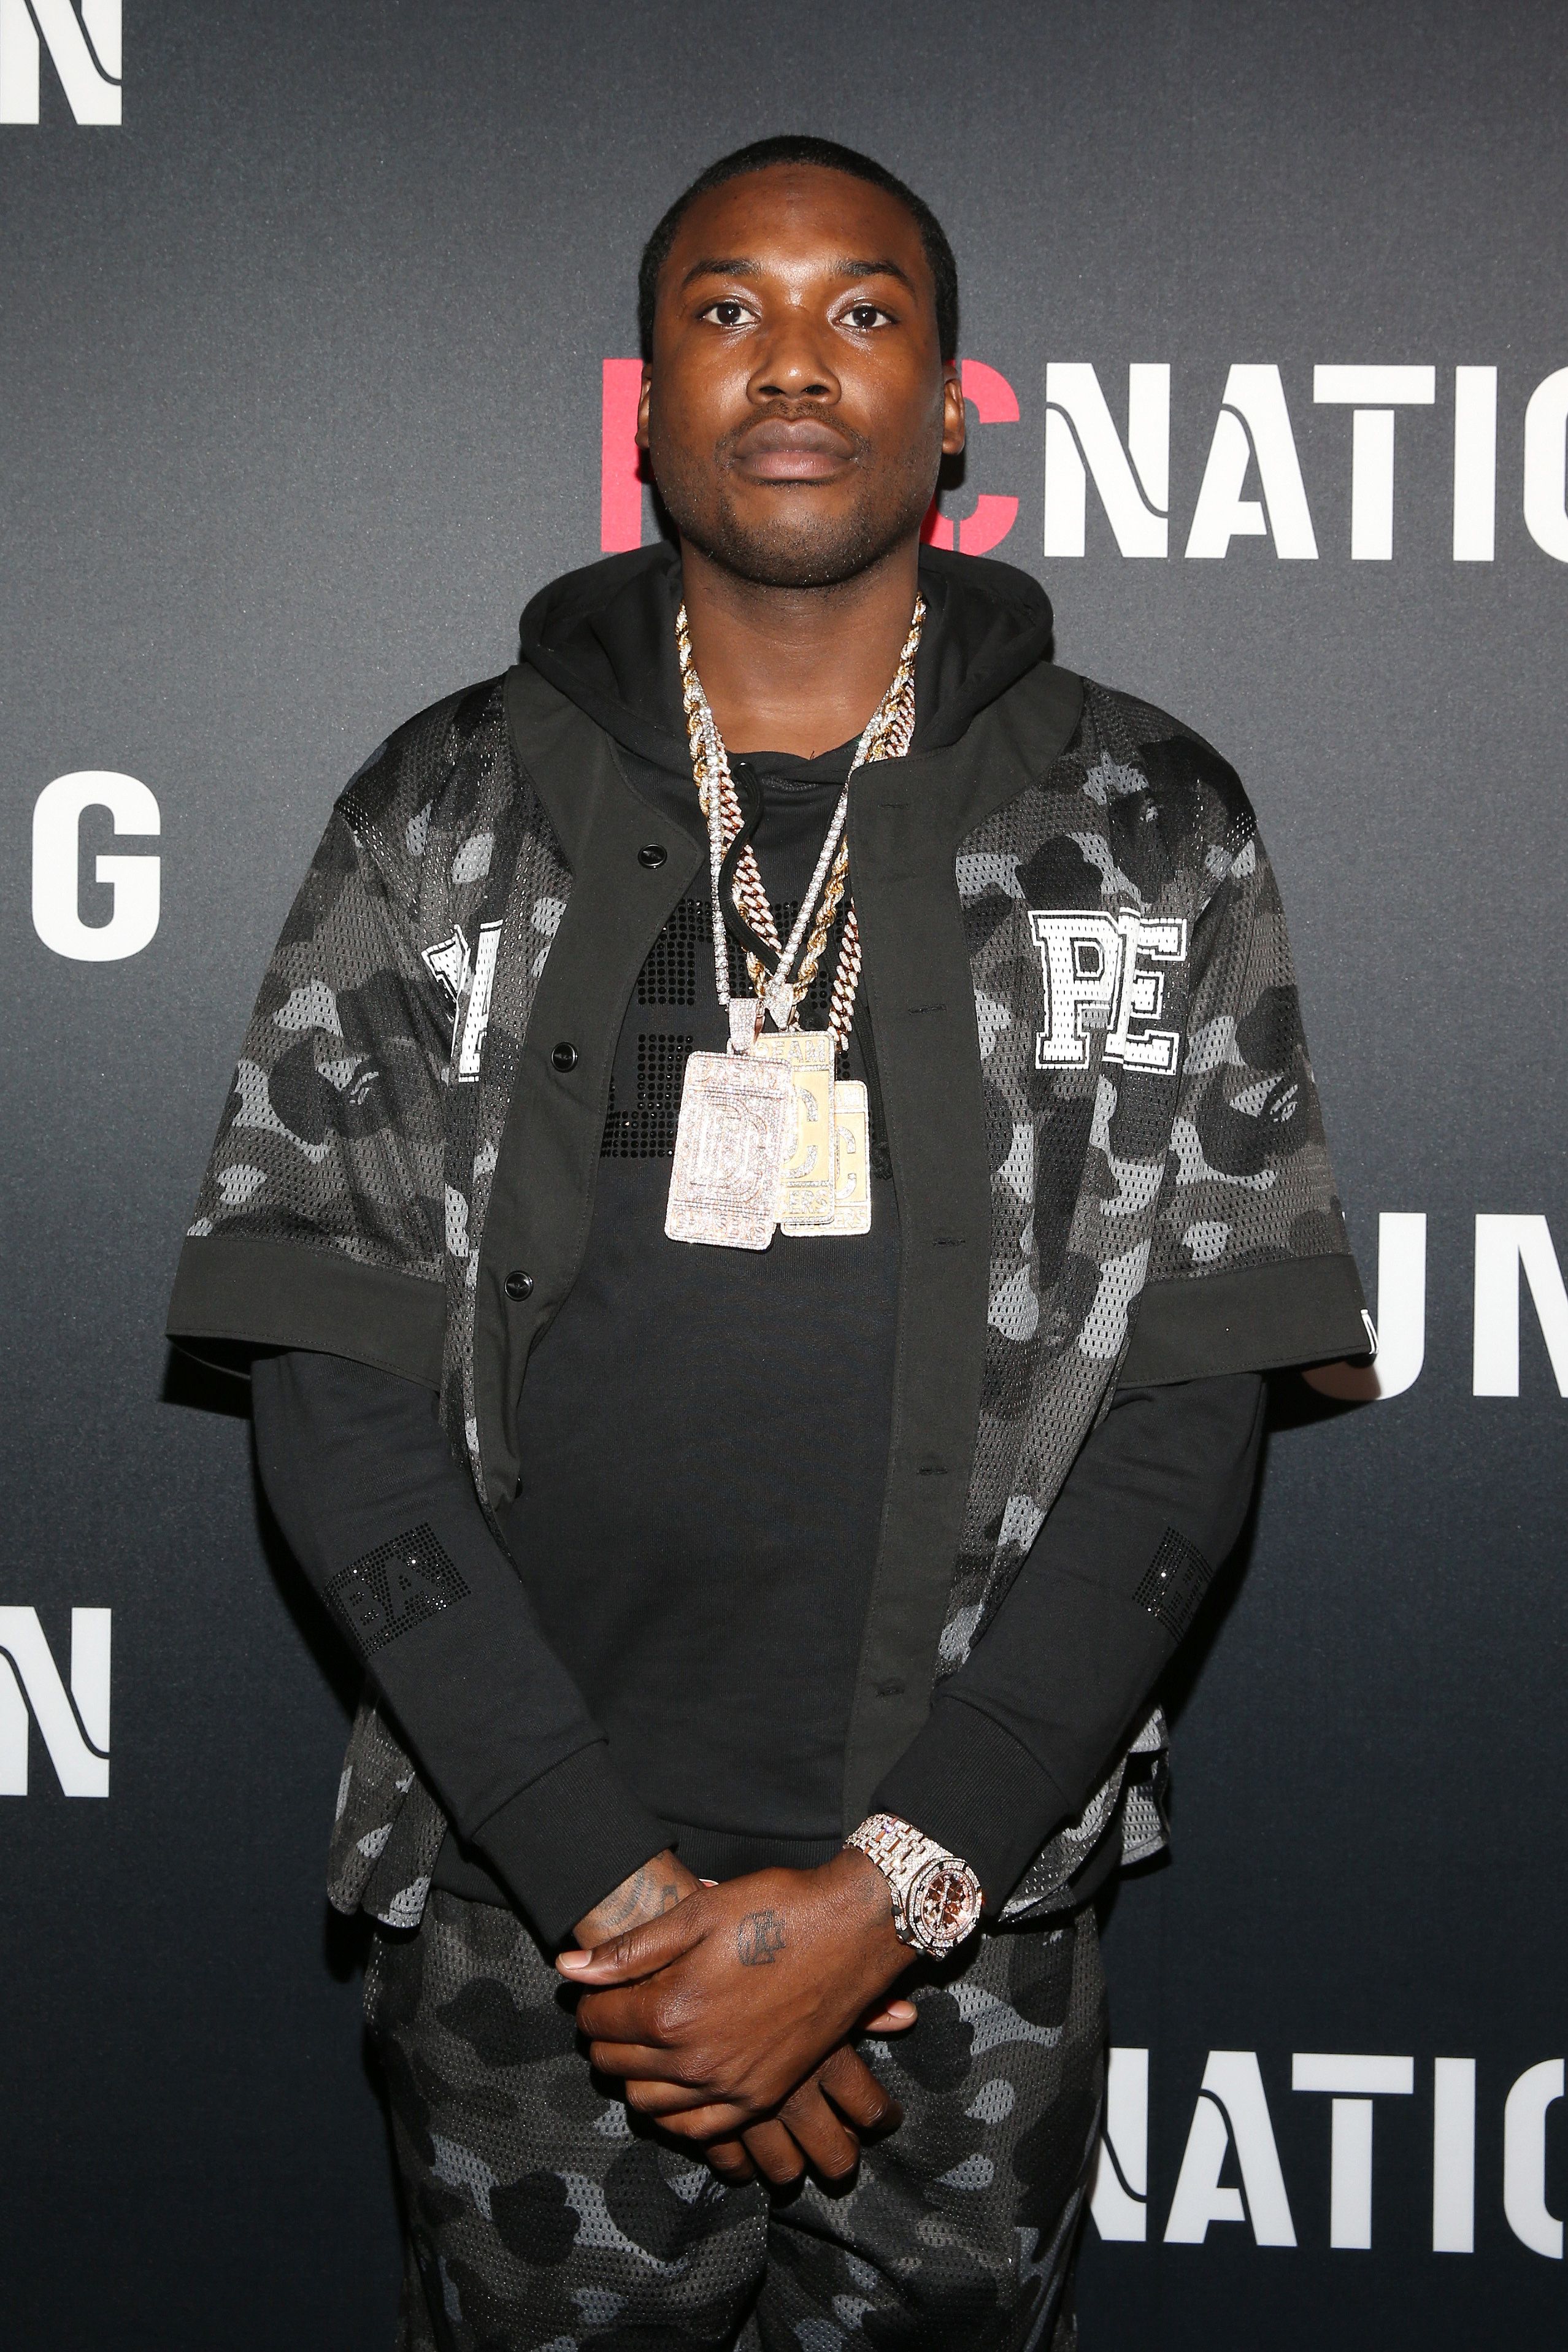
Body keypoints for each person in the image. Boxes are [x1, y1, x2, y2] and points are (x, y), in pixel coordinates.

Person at [167, 133, 1369, 2352]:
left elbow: (1190, 1410)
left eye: (860, 312)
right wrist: (623, 1900)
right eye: (727, 310)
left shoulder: (1151, 822)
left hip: (967, 1928)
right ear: (648, 407)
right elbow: (330, 1392)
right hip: (531, 1920)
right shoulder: (439, 807)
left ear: (950, 410)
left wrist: (888, 1896)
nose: (793, 362)